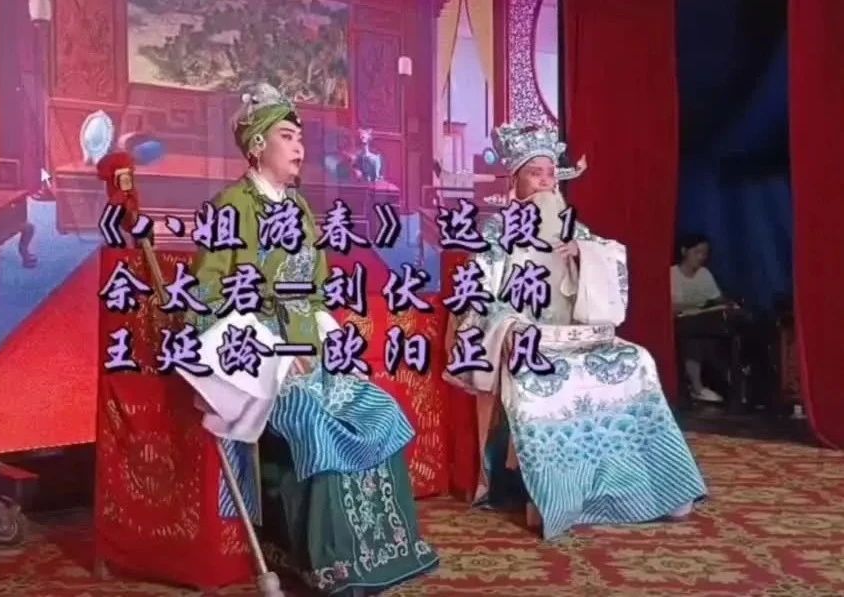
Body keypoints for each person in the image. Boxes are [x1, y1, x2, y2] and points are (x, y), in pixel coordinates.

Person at [181, 83, 438, 594]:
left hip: (311, 354)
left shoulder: (299, 209)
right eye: (287, 136)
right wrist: (275, 354)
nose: (299, 147)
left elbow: (316, 295)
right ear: (257, 145)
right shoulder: (230, 207)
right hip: (258, 366)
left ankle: (383, 548)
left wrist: (335, 344)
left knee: (379, 409)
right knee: (315, 423)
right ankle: (325, 559)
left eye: (299, 137)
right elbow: (206, 301)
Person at [443, 123, 707, 540]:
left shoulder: (571, 227)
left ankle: (658, 482)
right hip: (524, 333)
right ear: (516, 179)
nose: (545, 182)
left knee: (635, 360)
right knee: (541, 376)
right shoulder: (497, 231)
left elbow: (609, 264)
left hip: (574, 334)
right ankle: (546, 493)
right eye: (535, 173)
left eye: (551, 174)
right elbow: (479, 296)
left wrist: (584, 255)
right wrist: (510, 325)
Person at [671, 233, 733, 403]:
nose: (701, 257)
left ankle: (723, 385)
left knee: (708, 332)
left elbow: (717, 298)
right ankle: (697, 388)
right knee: (693, 336)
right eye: (697, 252)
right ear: (684, 251)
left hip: (704, 320)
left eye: (704, 253)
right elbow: (673, 307)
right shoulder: (673, 274)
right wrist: (700, 305)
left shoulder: (704, 273)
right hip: (681, 321)